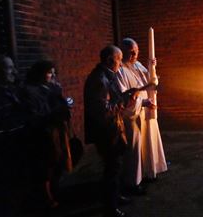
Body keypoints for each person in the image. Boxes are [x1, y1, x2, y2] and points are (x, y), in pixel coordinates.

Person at [84, 45, 137, 217]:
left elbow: (115, 99)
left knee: (116, 166)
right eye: (119, 59)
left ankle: (116, 196)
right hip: (106, 133)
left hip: (113, 129)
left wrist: (127, 94)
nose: (121, 63)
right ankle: (110, 206)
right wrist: (124, 100)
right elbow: (103, 111)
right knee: (111, 168)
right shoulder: (99, 79)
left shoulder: (108, 76)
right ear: (109, 60)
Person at [118, 38, 167, 187]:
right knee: (135, 149)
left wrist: (152, 68)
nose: (134, 54)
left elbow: (150, 83)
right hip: (133, 115)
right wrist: (142, 102)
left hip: (147, 111)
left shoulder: (138, 65)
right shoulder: (120, 70)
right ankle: (134, 181)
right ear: (123, 51)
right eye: (131, 52)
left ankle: (149, 171)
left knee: (149, 142)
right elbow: (124, 96)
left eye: (136, 51)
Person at [23, 60, 72, 209]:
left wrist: (66, 104)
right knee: (46, 167)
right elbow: (35, 115)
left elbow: (60, 105)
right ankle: (46, 197)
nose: (52, 75)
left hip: (56, 131)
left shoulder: (53, 88)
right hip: (43, 133)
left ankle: (56, 191)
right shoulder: (31, 90)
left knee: (57, 163)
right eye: (49, 72)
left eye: (53, 72)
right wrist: (56, 111)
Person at [0, 55, 29, 213]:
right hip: (4, 150)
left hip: (16, 147)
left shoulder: (13, 90)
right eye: (8, 68)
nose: (13, 72)